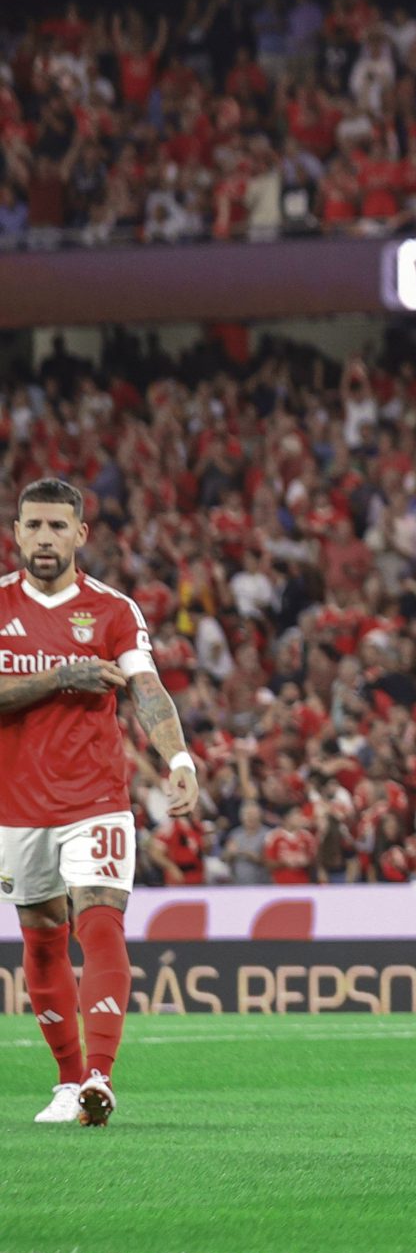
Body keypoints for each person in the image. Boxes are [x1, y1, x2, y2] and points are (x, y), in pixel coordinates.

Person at [10, 477, 198, 1127]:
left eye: (57, 526)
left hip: (96, 797)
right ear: (16, 531)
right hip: (16, 805)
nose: (44, 538)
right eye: (33, 525)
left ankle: (99, 1076)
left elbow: (147, 686)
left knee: (99, 920)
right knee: (40, 940)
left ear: (80, 533)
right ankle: (65, 1081)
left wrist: (178, 757)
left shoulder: (114, 609)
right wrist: (61, 677)